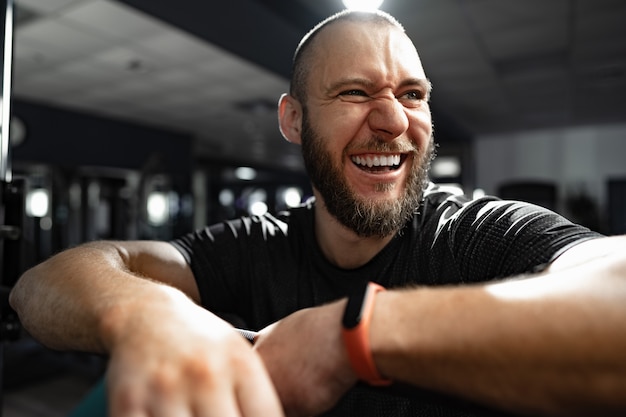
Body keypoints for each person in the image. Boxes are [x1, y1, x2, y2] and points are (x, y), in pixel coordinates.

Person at [9, 9, 626, 417]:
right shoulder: (258, 244)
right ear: (294, 120)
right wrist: (152, 315)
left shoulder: (474, 237)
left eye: (412, 94)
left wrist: (351, 337)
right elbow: (46, 284)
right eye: (355, 92)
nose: (392, 121)